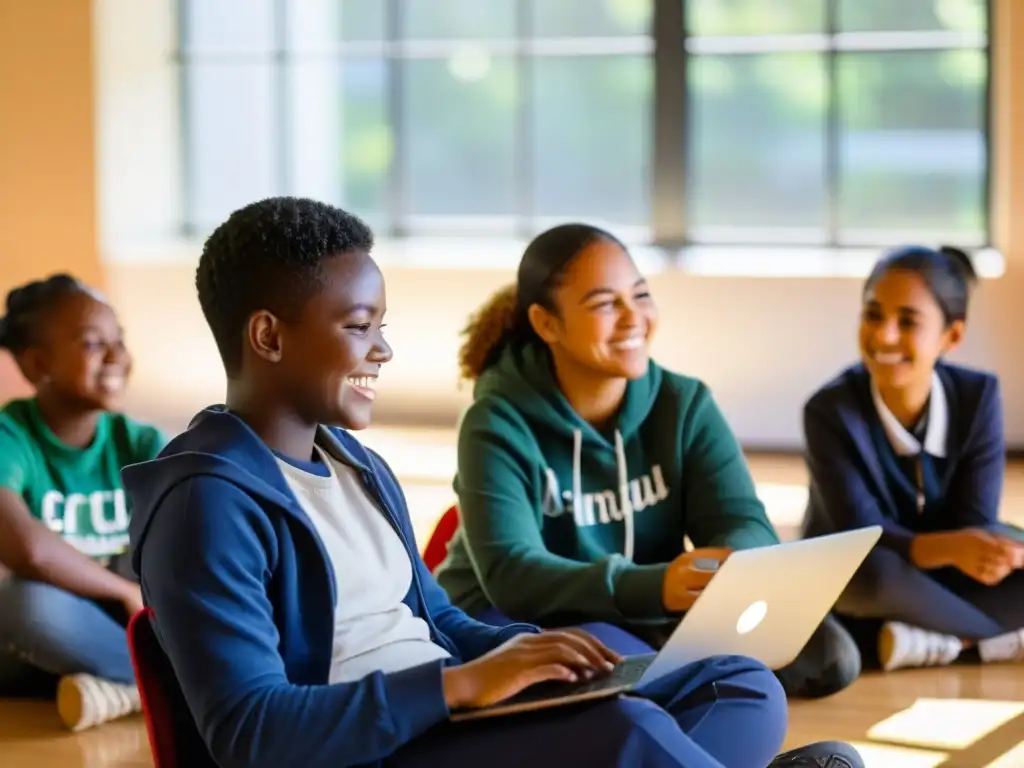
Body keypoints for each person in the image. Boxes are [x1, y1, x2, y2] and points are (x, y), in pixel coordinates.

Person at [125, 197, 861, 768]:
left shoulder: (356, 464)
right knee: (627, 731)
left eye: (382, 324)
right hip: (385, 747)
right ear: (269, 336)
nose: (383, 349)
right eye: (359, 326)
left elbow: (439, 621)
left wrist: (540, 653)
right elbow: (248, 732)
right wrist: (459, 687)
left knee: (732, 680)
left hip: (455, 712)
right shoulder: (207, 504)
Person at [432, 223, 861, 704]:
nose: (633, 318)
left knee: (830, 657)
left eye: (640, 295)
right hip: (512, 613)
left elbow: (742, 519)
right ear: (547, 323)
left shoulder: (683, 403)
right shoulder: (496, 421)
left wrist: (733, 567)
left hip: (640, 603)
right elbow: (514, 573)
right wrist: (656, 587)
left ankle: (669, 688)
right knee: (658, 682)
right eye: (604, 304)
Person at [802, 244, 1024, 672]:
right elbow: (859, 535)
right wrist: (954, 548)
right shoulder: (828, 411)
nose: (884, 335)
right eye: (873, 315)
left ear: (951, 336)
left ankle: (933, 641)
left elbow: (973, 522)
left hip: (938, 576)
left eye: (907, 322)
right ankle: (984, 641)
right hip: (860, 571)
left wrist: (992, 552)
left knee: (1005, 542)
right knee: (872, 574)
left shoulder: (978, 397)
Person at [0, 274, 167, 730]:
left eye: (120, 341)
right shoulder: (11, 438)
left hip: (135, 621)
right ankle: (168, 683)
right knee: (19, 604)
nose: (117, 357)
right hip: (58, 622)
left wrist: (133, 587)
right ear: (38, 365)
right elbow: (26, 550)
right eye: (94, 343)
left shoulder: (143, 443)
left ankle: (116, 687)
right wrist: (120, 590)